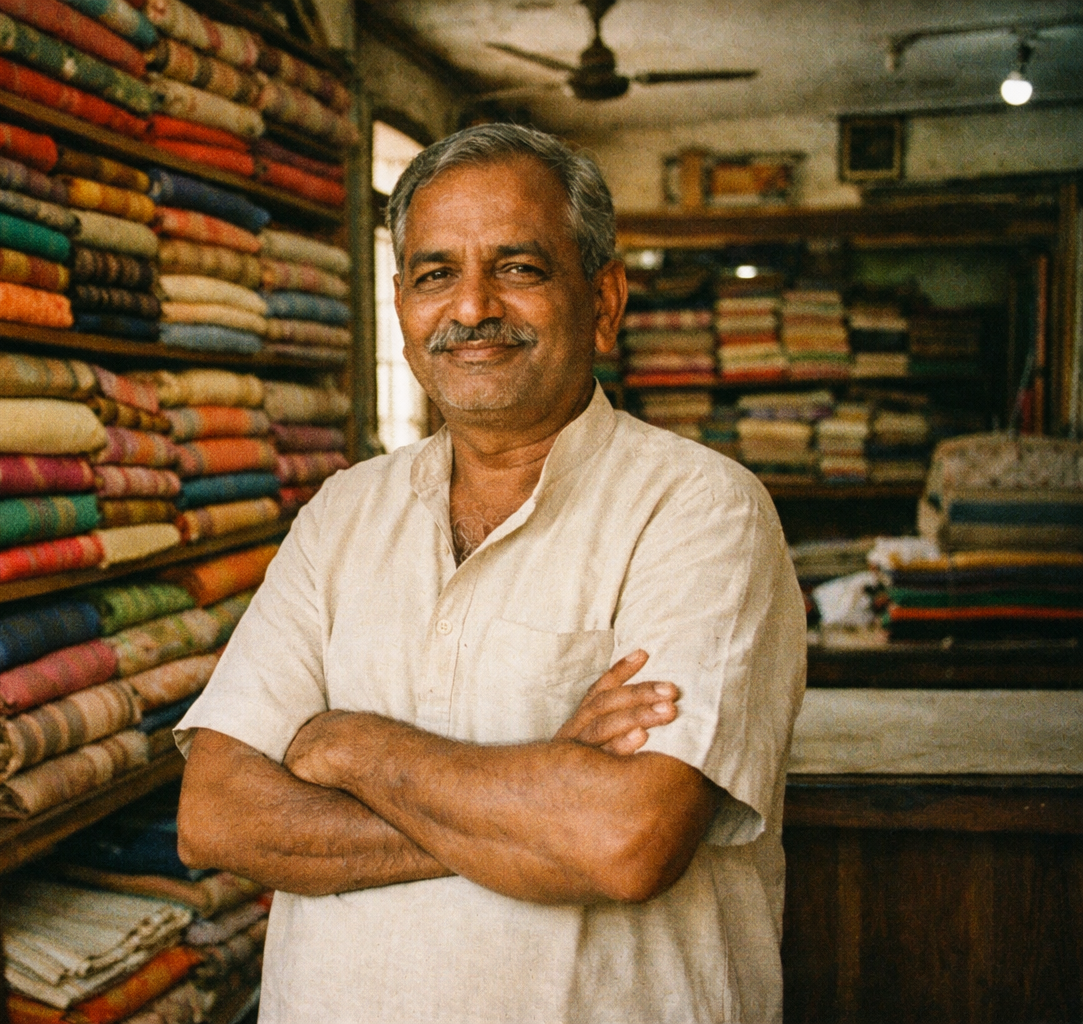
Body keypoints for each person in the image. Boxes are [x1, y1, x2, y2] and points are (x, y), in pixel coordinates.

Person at [174, 123, 807, 1023]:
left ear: (604, 299)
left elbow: (626, 841)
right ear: (401, 306)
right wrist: (539, 794)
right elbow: (218, 815)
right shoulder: (344, 513)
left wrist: (354, 747)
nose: (471, 307)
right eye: (436, 274)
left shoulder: (703, 510)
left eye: (519, 267)